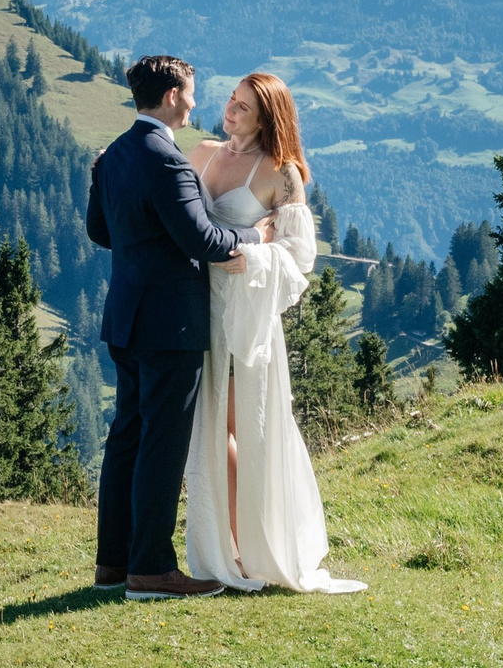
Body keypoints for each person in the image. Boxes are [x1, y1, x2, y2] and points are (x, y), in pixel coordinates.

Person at [86, 55, 265, 600]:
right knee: (162, 444)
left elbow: (101, 231)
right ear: (170, 96)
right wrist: (255, 238)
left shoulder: (114, 153)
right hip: (170, 325)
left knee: (127, 436)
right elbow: (202, 241)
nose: (194, 101)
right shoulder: (167, 160)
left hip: (126, 316)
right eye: (189, 92)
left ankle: (113, 563)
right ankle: (151, 569)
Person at [179, 72, 366, 594]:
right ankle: (229, 548)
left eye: (243, 106)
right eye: (231, 100)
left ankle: (261, 546)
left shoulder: (282, 174)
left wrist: (255, 254)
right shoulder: (201, 154)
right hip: (194, 308)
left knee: (252, 430)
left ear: (267, 118)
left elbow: (299, 255)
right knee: (209, 429)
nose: (230, 109)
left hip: (246, 314)